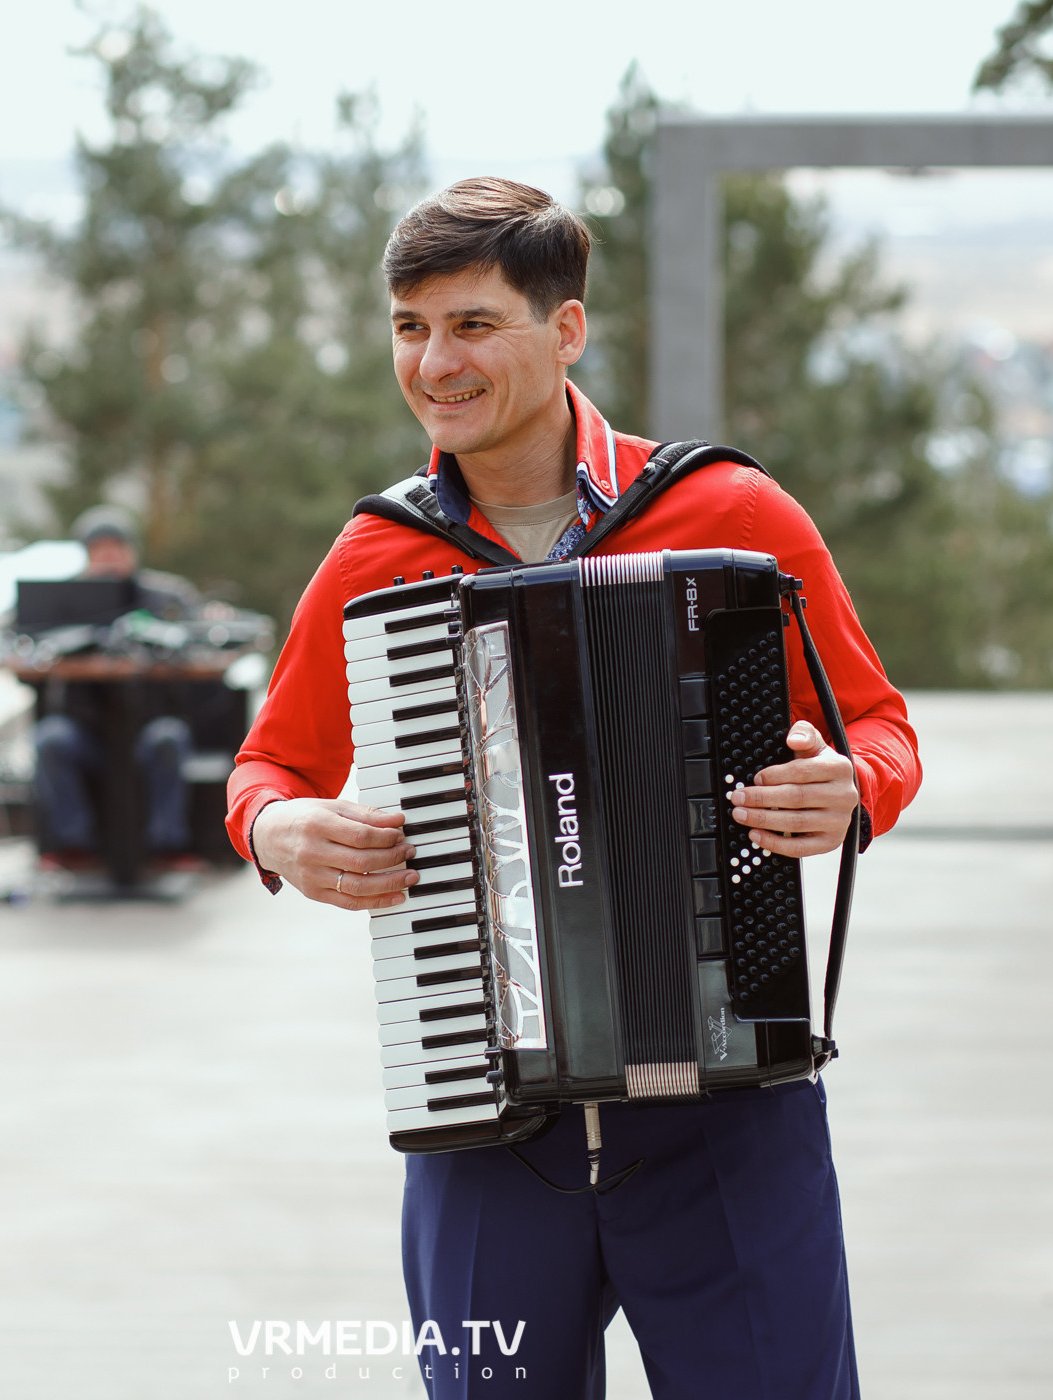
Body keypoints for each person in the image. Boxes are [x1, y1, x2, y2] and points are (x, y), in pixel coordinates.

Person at [224, 179, 922, 1398]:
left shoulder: (728, 510)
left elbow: (880, 725)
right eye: (409, 327)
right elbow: (266, 767)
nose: (435, 362)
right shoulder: (380, 554)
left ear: (567, 330)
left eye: (473, 324)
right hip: (483, 1121)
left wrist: (850, 787)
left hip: (726, 1116)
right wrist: (280, 827)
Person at [32, 505, 200, 864]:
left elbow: (194, 640)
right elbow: (29, 641)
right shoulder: (65, 601)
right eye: (99, 550)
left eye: (116, 548)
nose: (109, 558)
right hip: (88, 731)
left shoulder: (166, 596)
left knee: (169, 738)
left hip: (146, 725)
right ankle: (73, 844)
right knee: (50, 738)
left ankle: (166, 845)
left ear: (132, 551)